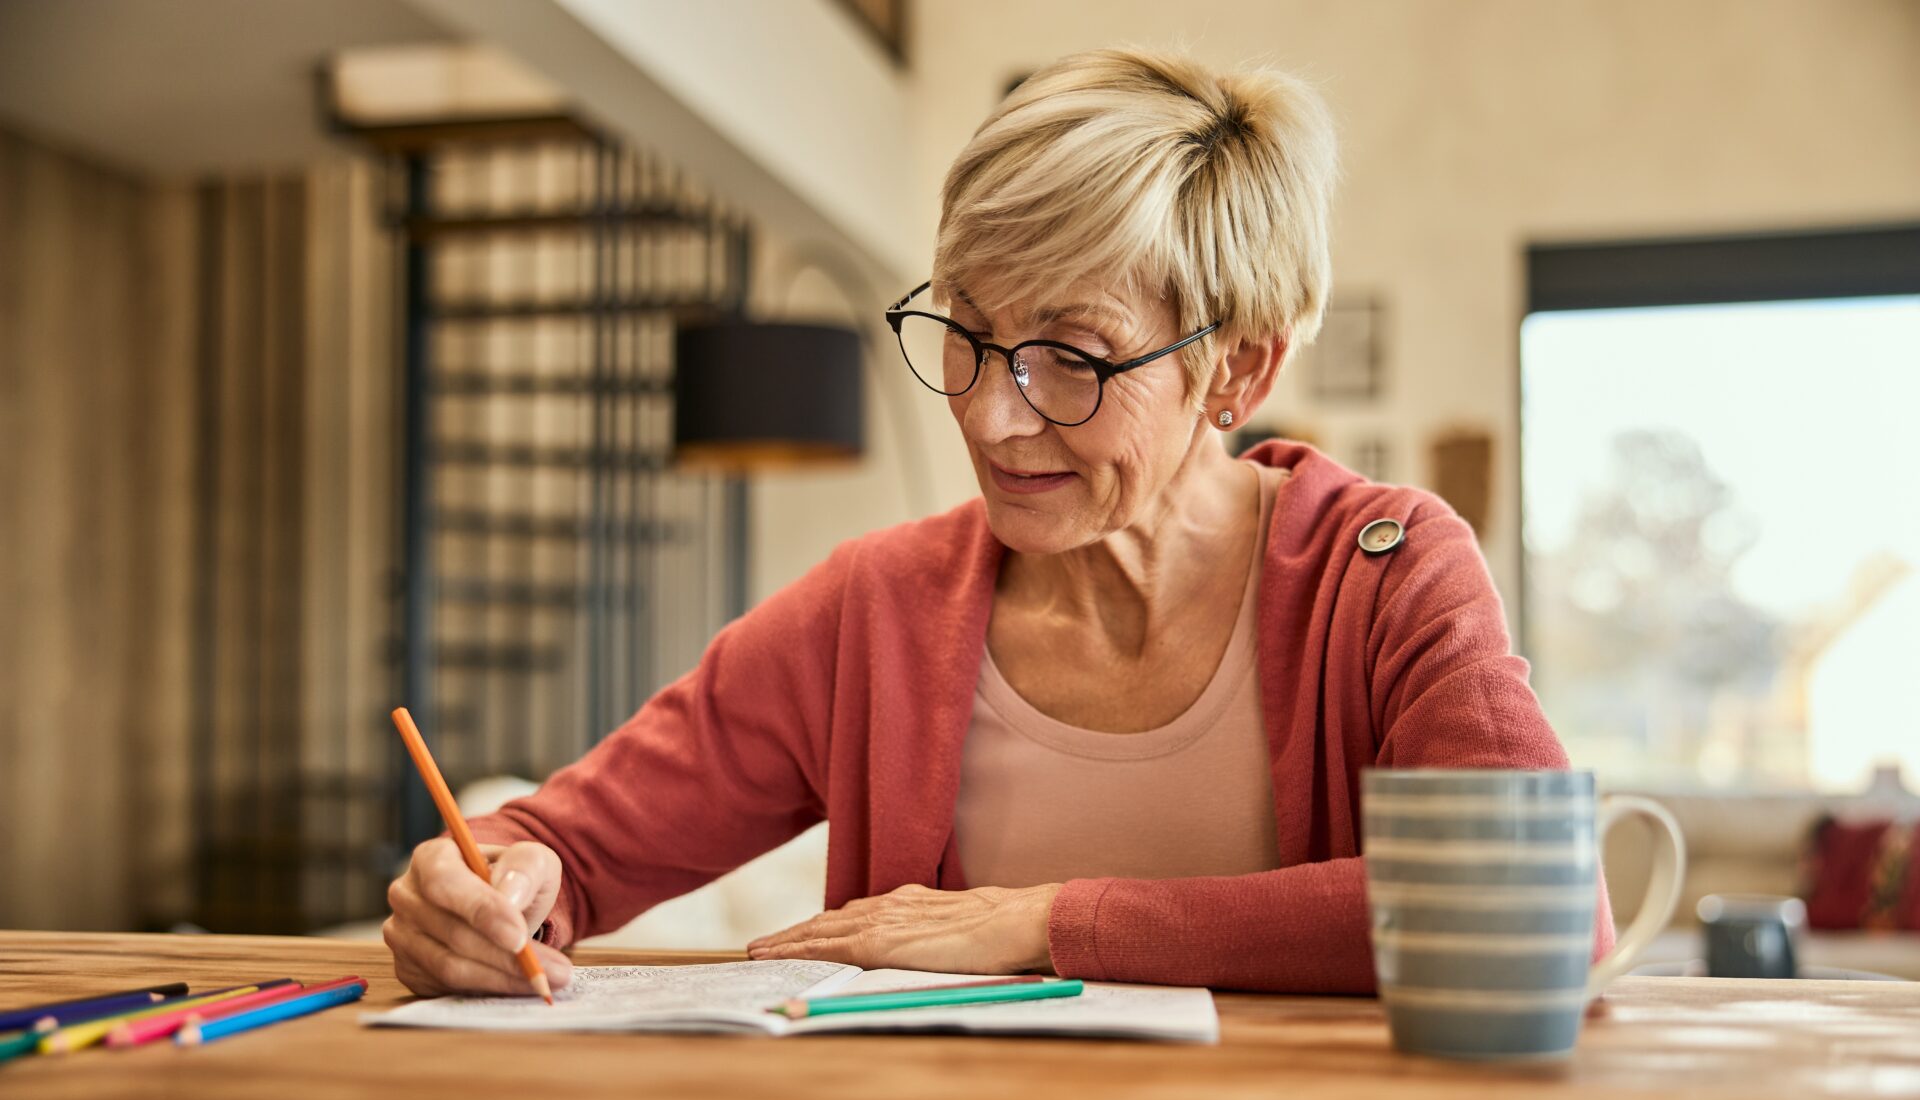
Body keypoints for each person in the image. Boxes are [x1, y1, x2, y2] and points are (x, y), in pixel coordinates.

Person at [383, 47, 1614, 999]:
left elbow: (1540, 902)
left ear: (1237, 369)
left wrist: (1049, 918)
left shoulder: (1385, 572)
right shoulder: (876, 606)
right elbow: (564, 839)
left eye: (1070, 358)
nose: (992, 414)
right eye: (967, 336)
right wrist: (488, 881)